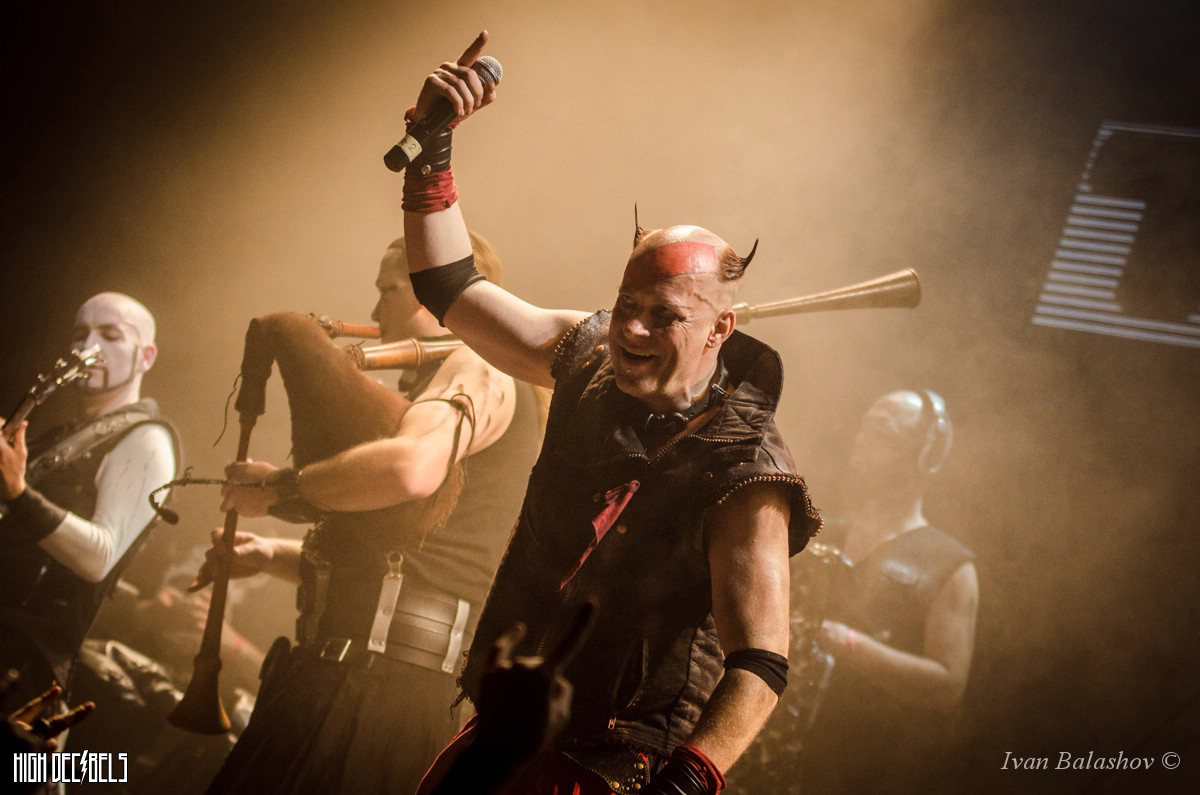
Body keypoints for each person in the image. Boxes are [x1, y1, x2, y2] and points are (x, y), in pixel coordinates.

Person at [404, 32, 822, 795]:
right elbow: (451, 288)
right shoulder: (588, 355)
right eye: (626, 304)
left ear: (720, 330)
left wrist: (681, 786)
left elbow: (760, 664)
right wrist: (433, 147)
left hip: (610, 774)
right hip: (502, 741)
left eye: (663, 316)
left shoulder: (746, 470)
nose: (630, 329)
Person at [193, 233, 542, 794]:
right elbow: (403, 566)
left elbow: (408, 470)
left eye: (388, 290)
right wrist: (272, 556)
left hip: (377, 693)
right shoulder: (457, 382)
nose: (377, 313)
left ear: (432, 294)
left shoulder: (479, 365)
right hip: (357, 680)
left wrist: (283, 491)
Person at [0, 292, 179, 706]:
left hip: (27, 669)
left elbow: (100, 556)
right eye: (80, 335)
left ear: (146, 357)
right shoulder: (60, 437)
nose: (88, 347)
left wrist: (20, 494)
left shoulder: (147, 440)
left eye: (111, 336)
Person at [797, 389, 978, 793]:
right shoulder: (823, 534)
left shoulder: (949, 564)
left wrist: (848, 643)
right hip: (787, 754)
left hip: (865, 770)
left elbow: (948, 686)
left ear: (926, 453)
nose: (862, 438)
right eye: (865, 425)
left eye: (882, 428)